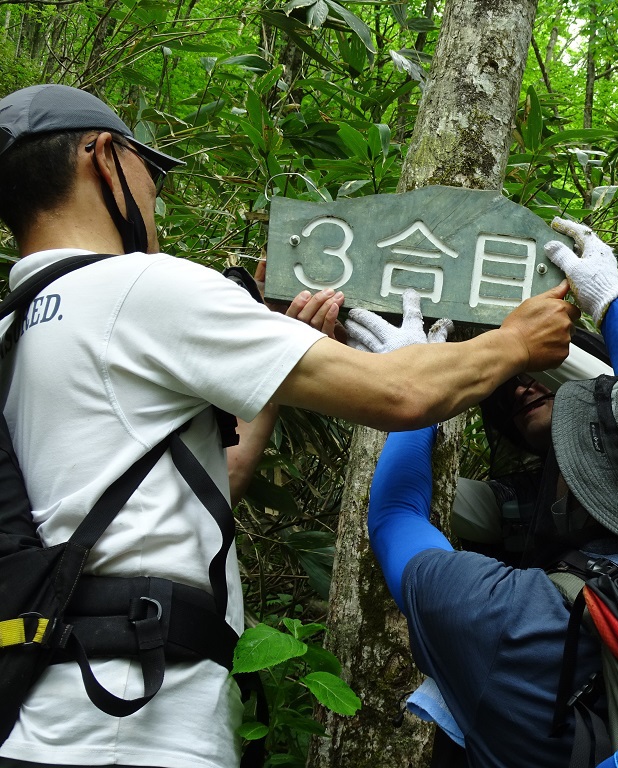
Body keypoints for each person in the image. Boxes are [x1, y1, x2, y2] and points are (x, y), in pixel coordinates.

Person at [0, 83, 577, 768]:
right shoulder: (140, 287)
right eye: (149, 171)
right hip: (133, 722)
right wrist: (515, 343)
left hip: (49, 712)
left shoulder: (17, 327)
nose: (157, 195)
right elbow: (400, 392)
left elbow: (217, 483)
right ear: (104, 156)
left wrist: (267, 370)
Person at [358, 223, 618, 768]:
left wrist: (415, 382)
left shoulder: (505, 617)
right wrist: (612, 304)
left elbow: (394, 516)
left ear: (572, 488)